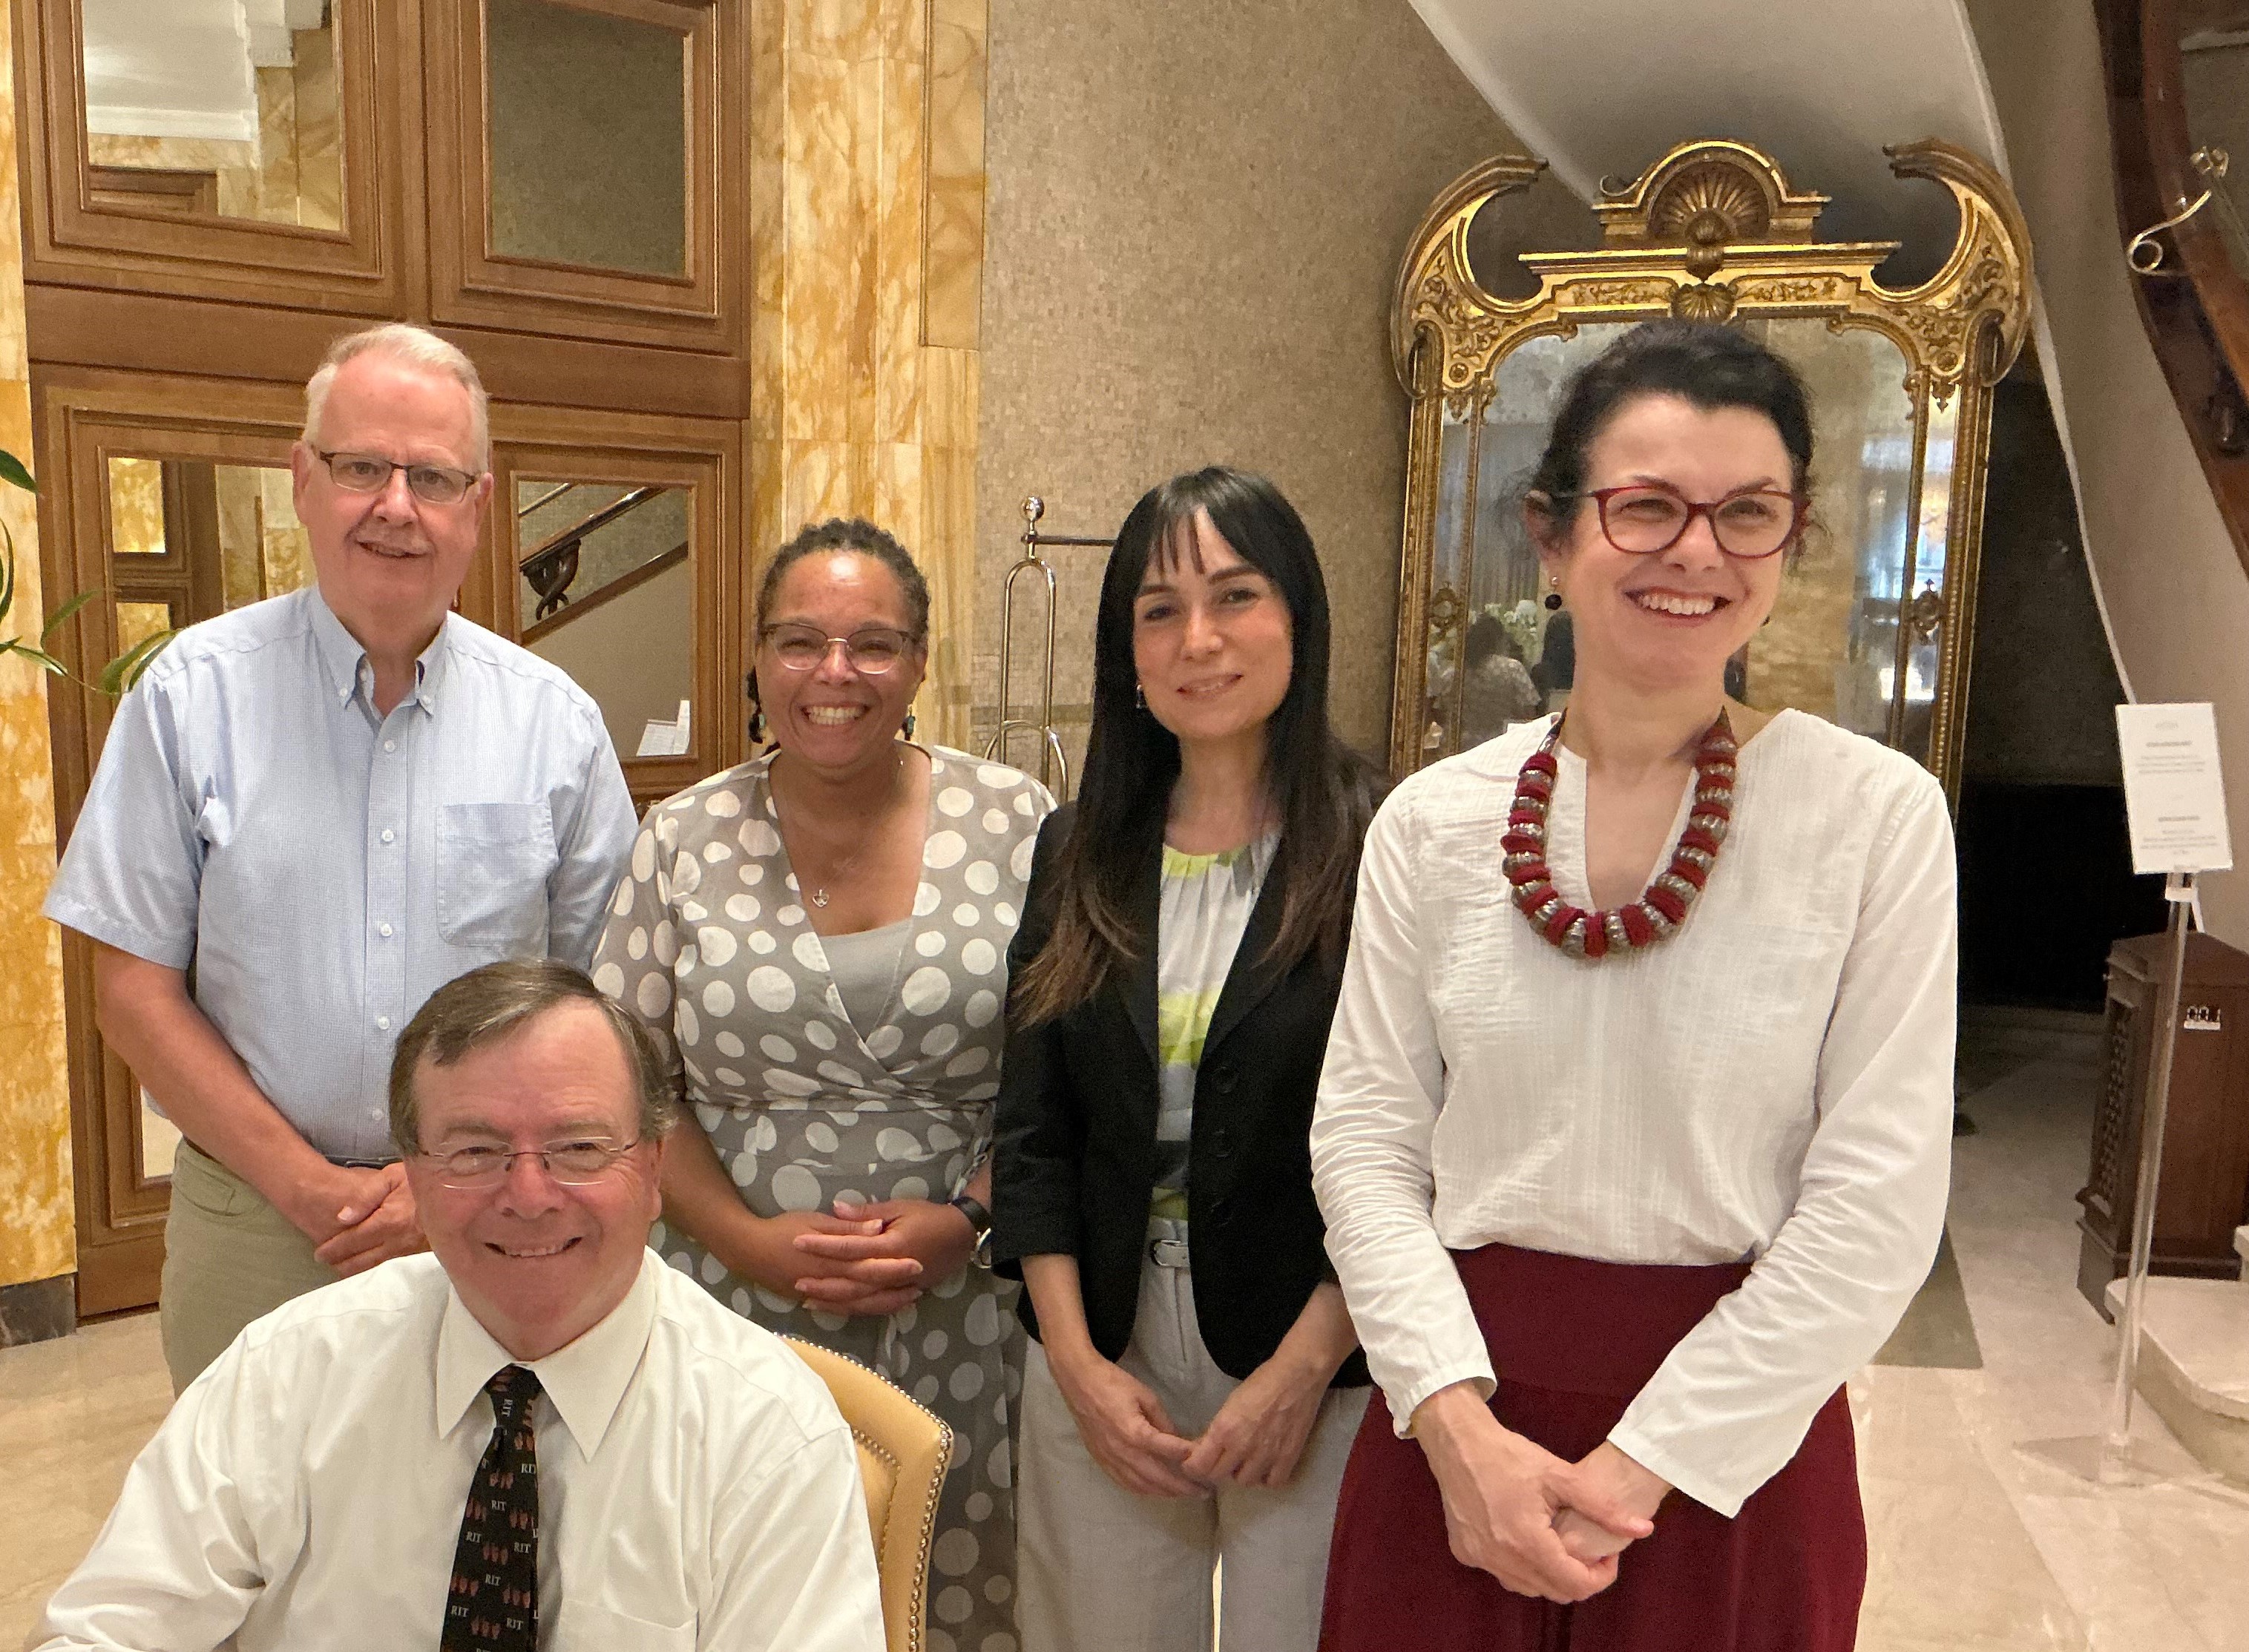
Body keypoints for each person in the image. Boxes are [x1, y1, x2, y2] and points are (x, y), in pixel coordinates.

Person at [1312, 321, 1956, 1651]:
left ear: (1790, 545)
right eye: (1646, 506)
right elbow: (1366, 1144)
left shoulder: (1874, 818)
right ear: (1552, 538)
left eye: (1747, 514)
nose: (1696, 552)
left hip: (1731, 1452)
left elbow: (1876, 1203)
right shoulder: (1433, 823)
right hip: (1457, 1434)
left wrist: (1638, 1467)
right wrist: (1453, 1425)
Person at [42, 323, 637, 1392]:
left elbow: (604, 997)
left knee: (490, 1526)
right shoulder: (190, 698)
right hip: (256, 1220)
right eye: (361, 466)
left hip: (500, 1214)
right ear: (302, 481)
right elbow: (130, 989)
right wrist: (309, 1184)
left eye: (432, 476)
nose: (395, 505)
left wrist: (447, 1176)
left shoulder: (557, 727)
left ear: (479, 505)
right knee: (252, 1539)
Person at [33, 958, 886, 1652]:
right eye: (474, 1150)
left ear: (654, 1168)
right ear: (409, 1174)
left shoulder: (765, 1435)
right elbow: (107, 1629)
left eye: (578, 1147)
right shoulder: (291, 1370)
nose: (527, 1194)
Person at [593, 517, 1054, 1652]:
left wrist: (967, 1217)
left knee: (959, 1573)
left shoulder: (1021, 825)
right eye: (799, 641)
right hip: (726, 1297)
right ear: (756, 659)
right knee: (738, 1572)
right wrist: (747, 1240)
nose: (834, 674)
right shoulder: (683, 837)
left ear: (921, 663)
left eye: (872, 643)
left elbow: (1070, 1073)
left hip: (966, 1300)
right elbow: (628, 1080)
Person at [994, 467, 1378, 1652]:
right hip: (1105, 1333)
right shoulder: (1078, 845)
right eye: (1158, 609)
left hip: (1314, 1338)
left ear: (1297, 618)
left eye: (1235, 595)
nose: (1196, 639)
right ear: (1126, 648)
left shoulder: (1383, 838)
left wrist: (1310, 1360)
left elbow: (1424, 1140)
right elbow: (1032, 1128)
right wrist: (1072, 1360)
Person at [1460, 613, 1543, 743]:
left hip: (1460, 744)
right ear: (1499, 639)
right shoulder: (1512, 669)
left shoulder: (1458, 670)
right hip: (1500, 742)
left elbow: (1441, 712)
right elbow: (1528, 713)